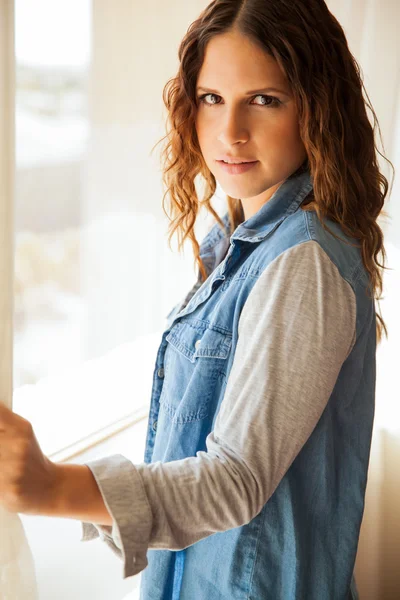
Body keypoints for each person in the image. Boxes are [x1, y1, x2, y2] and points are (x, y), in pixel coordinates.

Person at [0, 0, 394, 598]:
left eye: (265, 99)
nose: (230, 130)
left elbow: (235, 480)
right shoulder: (239, 242)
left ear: (316, 109)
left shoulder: (302, 262)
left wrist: (53, 487)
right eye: (212, 98)